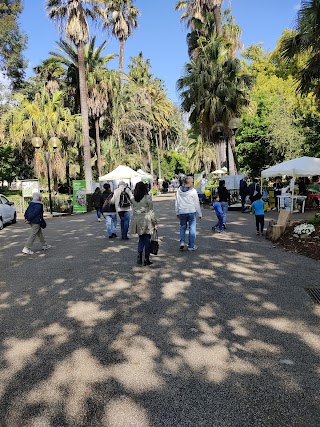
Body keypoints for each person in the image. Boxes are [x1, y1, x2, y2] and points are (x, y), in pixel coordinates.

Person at [130, 182, 158, 266]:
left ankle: (139, 256)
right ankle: (146, 258)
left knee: (141, 239)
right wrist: (155, 223)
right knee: (147, 239)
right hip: (146, 220)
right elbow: (151, 212)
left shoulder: (133, 199)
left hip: (137, 220)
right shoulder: (147, 198)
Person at [175, 176, 202, 251]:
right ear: (189, 183)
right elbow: (196, 203)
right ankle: (191, 246)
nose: (193, 183)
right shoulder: (193, 191)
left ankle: (182, 241)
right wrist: (200, 213)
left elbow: (177, 202)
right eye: (192, 182)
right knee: (192, 228)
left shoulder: (178, 190)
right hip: (191, 211)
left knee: (182, 227)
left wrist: (177, 212)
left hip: (182, 211)